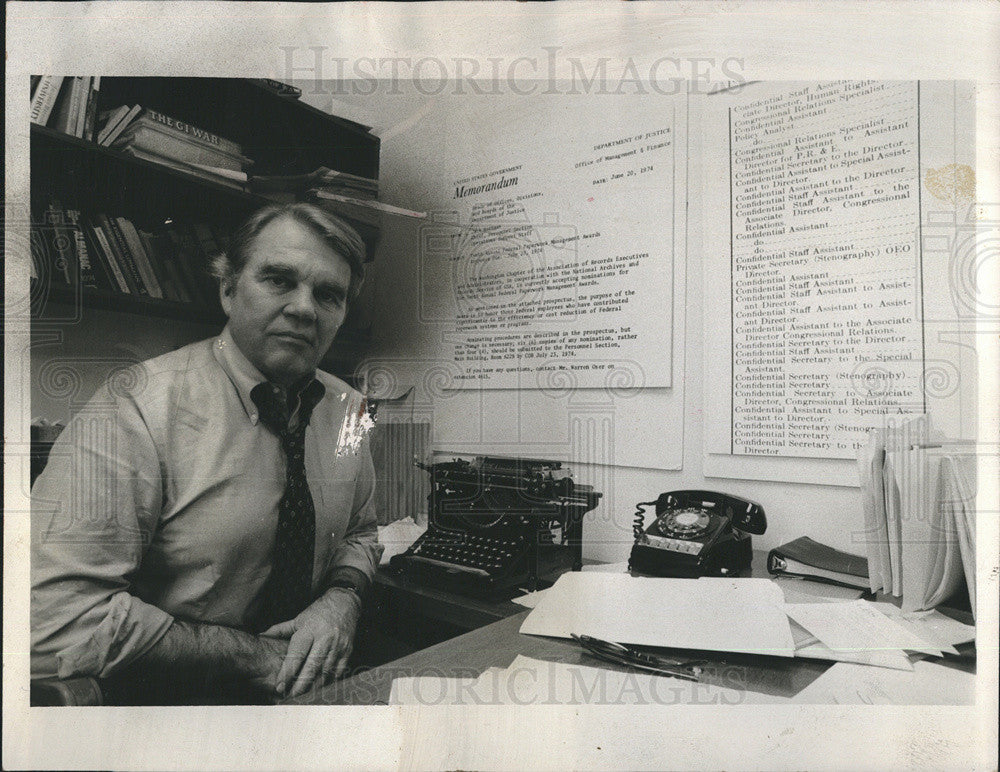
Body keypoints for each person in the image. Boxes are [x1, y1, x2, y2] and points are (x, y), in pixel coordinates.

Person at [31, 203, 383, 703]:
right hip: (172, 707)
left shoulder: (350, 411)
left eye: (329, 294)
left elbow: (360, 532)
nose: (305, 308)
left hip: (308, 697)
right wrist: (254, 655)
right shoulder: (134, 408)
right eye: (280, 280)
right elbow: (51, 619)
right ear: (227, 289)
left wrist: (341, 598)